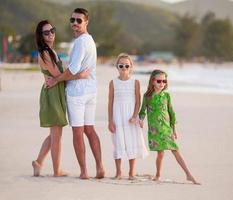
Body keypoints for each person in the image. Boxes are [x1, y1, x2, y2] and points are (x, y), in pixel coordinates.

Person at [46, 8, 105, 179]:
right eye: (72, 20)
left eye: (79, 20)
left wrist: (56, 80)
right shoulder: (90, 40)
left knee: (78, 132)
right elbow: (80, 69)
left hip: (77, 93)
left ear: (86, 22)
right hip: (91, 90)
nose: (75, 23)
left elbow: (72, 69)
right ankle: (100, 167)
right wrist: (76, 74)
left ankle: (84, 171)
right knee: (90, 130)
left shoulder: (80, 42)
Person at [32, 20, 88, 177]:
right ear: (40, 36)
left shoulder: (51, 51)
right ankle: (57, 171)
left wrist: (64, 77)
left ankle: (38, 162)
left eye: (52, 30)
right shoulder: (44, 53)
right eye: (46, 32)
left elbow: (58, 76)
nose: (51, 34)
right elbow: (58, 75)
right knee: (56, 135)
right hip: (52, 95)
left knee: (54, 133)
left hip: (56, 92)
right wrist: (80, 76)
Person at [139, 69, 200, 184]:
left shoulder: (166, 96)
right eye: (159, 81)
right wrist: (141, 120)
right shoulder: (147, 96)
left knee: (175, 150)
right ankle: (158, 174)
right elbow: (142, 111)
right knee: (160, 153)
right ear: (152, 81)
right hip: (155, 130)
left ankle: (188, 174)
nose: (162, 84)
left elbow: (171, 113)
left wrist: (174, 130)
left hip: (166, 129)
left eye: (164, 81)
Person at [108, 53, 148, 180]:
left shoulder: (135, 82)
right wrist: (110, 121)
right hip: (117, 116)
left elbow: (138, 101)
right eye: (121, 65)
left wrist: (135, 116)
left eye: (127, 65)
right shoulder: (113, 82)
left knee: (131, 141)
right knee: (118, 141)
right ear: (117, 67)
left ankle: (131, 173)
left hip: (130, 116)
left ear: (131, 67)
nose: (124, 68)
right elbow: (110, 102)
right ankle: (118, 172)